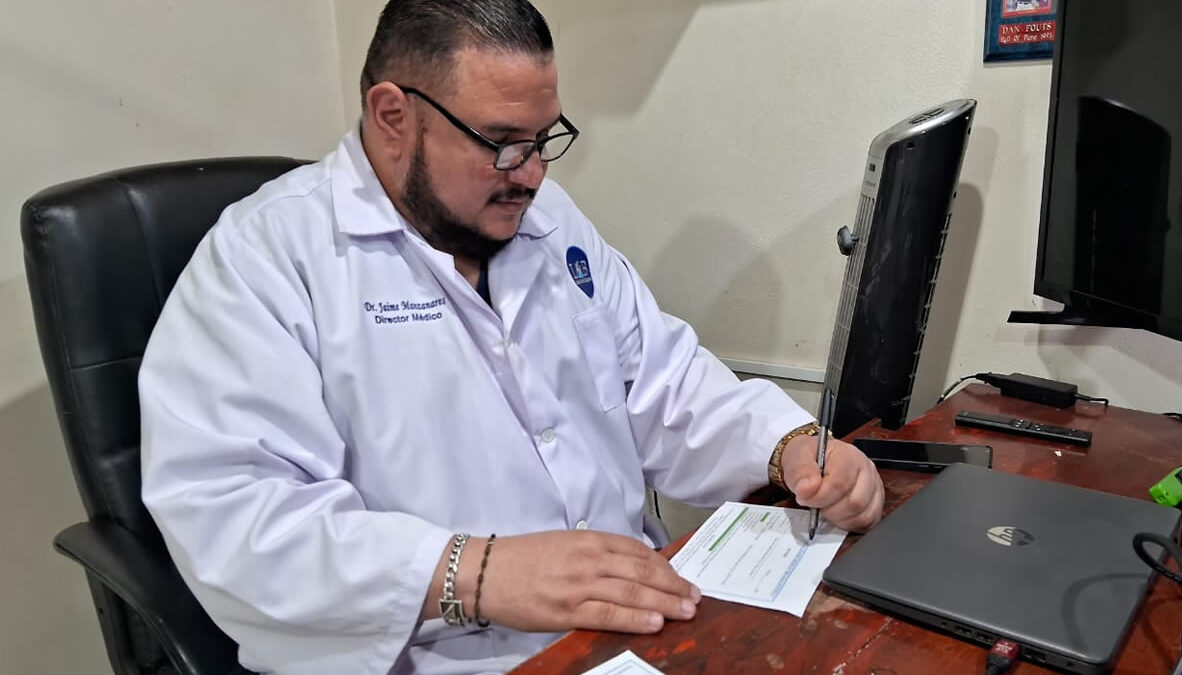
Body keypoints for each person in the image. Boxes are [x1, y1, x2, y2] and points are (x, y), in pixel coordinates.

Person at [138, 1, 885, 673]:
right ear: (392, 115)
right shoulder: (267, 257)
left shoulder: (547, 220)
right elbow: (235, 520)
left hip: (633, 626)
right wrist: (477, 572)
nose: (530, 176)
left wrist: (787, 447)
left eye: (542, 139)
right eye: (500, 142)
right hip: (441, 654)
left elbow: (662, 381)